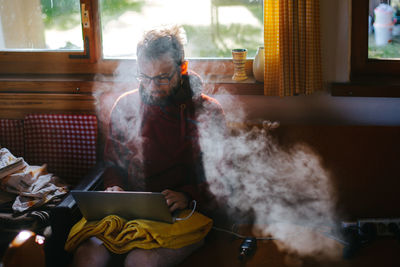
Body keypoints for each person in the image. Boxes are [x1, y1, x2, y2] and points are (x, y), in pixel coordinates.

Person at [72, 26, 226, 267]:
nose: (153, 86)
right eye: (145, 77)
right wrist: (115, 188)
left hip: (185, 212)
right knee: (88, 255)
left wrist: (187, 195)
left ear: (182, 68)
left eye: (163, 77)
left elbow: (220, 178)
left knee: (141, 261)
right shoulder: (125, 106)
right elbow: (112, 164)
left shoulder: (207, 110)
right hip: (129, 212)